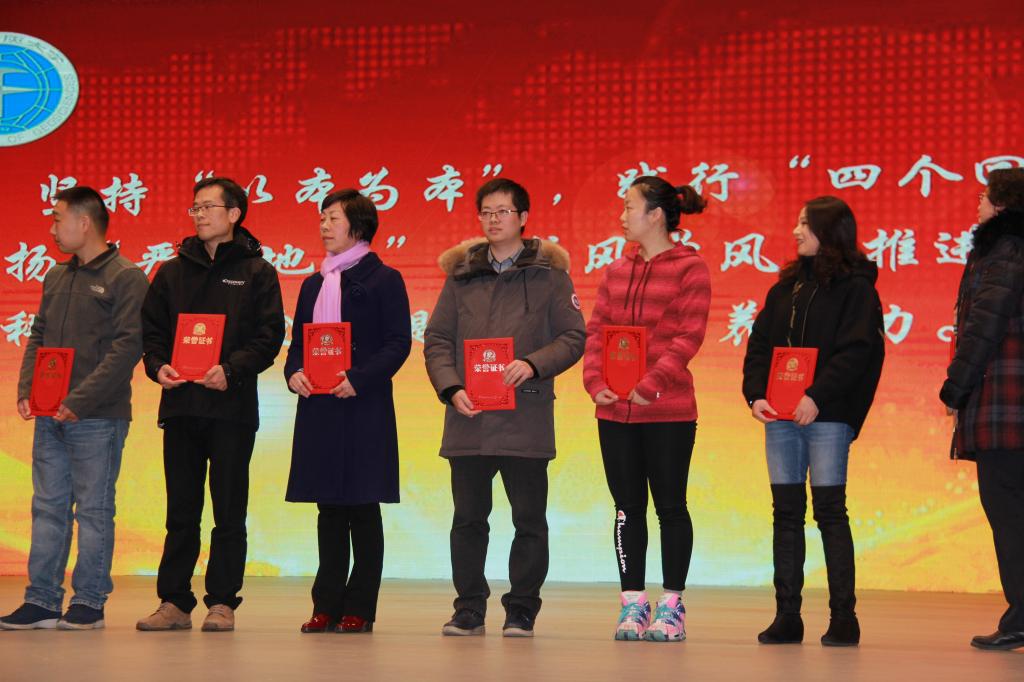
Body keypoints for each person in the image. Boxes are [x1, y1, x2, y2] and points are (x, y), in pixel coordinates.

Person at [424, 178, 585, 637]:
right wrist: (451, 387)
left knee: (529, 521)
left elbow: (573, 337)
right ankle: (468, 608)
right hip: (469, 417)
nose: (493, 220)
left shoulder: (550, 275)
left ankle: (522, 609)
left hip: (524, 418)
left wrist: (533, 364)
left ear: (523, 217)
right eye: (486, 212)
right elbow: (437, 339)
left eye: (503, 212)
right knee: (467, 521)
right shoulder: (461, 275)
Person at [136, 177, 285, 632]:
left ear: (234, 214)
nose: (199, 215)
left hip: (230, 409)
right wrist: (157, 366)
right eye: (195, 208)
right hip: (181, 405)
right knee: (181, 511)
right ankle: (174, 602)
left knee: (228, 511)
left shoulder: (257, 272)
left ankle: (222, 602)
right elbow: (152, 332)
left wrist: (231, 369)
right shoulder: (171, 272)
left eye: (208, 207)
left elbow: (269, 336)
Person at [0, 188, 149, 631]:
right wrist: (28, 388)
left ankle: (89, 600)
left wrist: (78, 401)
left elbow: (128, 348)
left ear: (85, 223)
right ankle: (42, 600)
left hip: (97, 417)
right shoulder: (56, 276)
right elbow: (39, 334)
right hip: (50, 414)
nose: (51, 228)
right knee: (47, 507)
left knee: (94, 510)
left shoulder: (126, 277)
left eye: (57, 218)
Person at [742, 196, 884, 647]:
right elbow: (759, 345)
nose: (796, 231)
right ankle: (788, 616)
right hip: (780, 416)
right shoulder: (785, 289)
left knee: (829, 511)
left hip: (828, 415)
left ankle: (844, 617)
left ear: (829, 230)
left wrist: (816, 396)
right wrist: (756, 394)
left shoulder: (856, 289)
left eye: (805, 223)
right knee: (785, 513)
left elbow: (858, 352)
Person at [582, 176, 710, 642]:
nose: (622, 216)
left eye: (629, 206)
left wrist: (652, 385)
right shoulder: (617, 270)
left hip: (668, 411)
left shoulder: (690, 268)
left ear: (656, 215)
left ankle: (672, 606)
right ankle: (632, 602)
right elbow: (596, 331)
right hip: (615, 412)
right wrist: (595, 382)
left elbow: (688, 336)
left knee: (671, 507)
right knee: (626, 509)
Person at [284, 189, 411, 634]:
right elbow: (298, 344)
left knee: (363, 508)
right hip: (320, 408)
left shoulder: (384, 279)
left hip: (363, 405)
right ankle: (326, 604)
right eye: (322, 217)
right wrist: (294, 373)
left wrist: (359, 377)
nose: (324, 225)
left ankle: (360, 607)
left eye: (333, 218)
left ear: (358, 226)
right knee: (329, 509)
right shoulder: (313, 284)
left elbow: (399, 343)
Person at [941, 168, 1024, 651]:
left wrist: (955, 388)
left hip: (1006, 407)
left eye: (984, 196)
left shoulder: (1005, 252)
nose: (978, 202)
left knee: (1008, 511)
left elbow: (983, 328)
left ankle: (1021, 617)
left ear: (1003, 204)